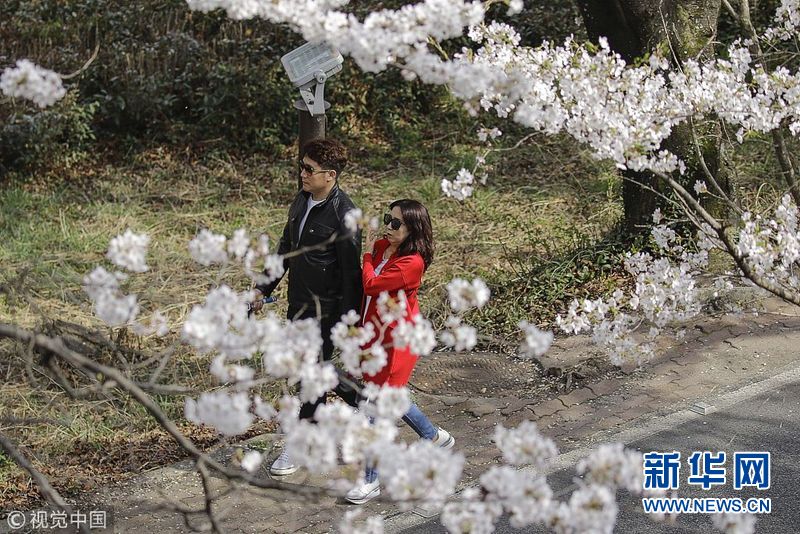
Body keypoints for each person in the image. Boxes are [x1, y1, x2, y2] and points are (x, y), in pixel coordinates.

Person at [252, 138, 362, 476]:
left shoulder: (344, 215)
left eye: (309, 169)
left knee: (310, 376)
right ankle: (366, 402)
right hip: (298, 303)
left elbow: (351, 274)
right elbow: (286, 249)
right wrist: (262, 288)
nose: (302, 173)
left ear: (330, 175)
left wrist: (349, 321)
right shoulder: (301, 200)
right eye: (302, 167)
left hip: (326, 309)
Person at [345, 199, 455, 505]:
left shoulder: (412, 263)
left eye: (396, 223)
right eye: (387, 219)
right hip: (374, 335)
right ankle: (433, 436)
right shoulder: (384, 247)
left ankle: (370, 481)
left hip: (395, 343)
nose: (389, 227)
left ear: (413, 230)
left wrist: (367, 255)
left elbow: (372, 285)